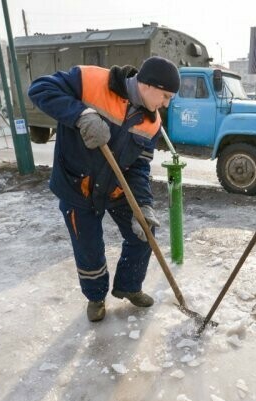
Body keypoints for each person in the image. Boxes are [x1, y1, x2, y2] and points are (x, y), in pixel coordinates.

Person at [28, 56, 180, 322]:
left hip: (116, 188)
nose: (166, 104)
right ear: (147, 85)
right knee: (89, 246)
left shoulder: (152, 123)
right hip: (79, 186)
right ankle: (96, 298)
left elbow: (140, 167)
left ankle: (130, 286)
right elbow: (39, 89)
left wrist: (143, 204)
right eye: (165, 95)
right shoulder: (91, 81)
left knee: (145, 230)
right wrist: (81, 115)